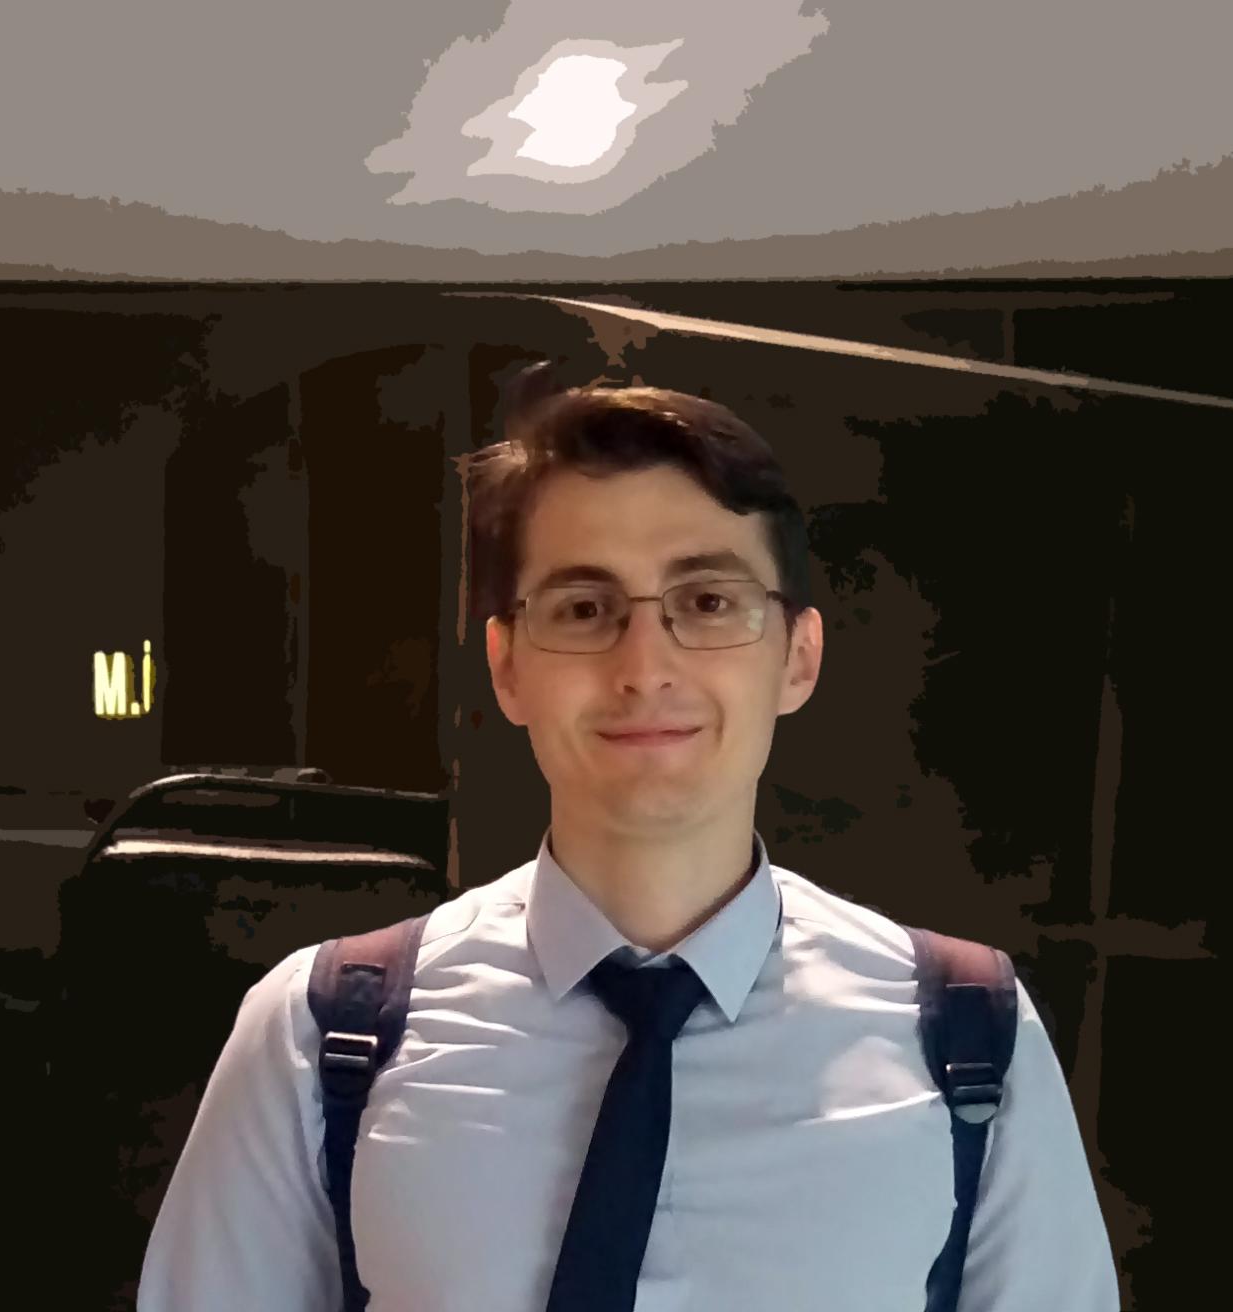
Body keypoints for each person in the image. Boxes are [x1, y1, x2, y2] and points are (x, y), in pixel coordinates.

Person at [138, 366, 1119, 1310]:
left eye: (708, 602)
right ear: (507, 666)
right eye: (584, 608)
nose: (644, 667)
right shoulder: (320, 1039)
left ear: (798, 656)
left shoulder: (969, 1043)